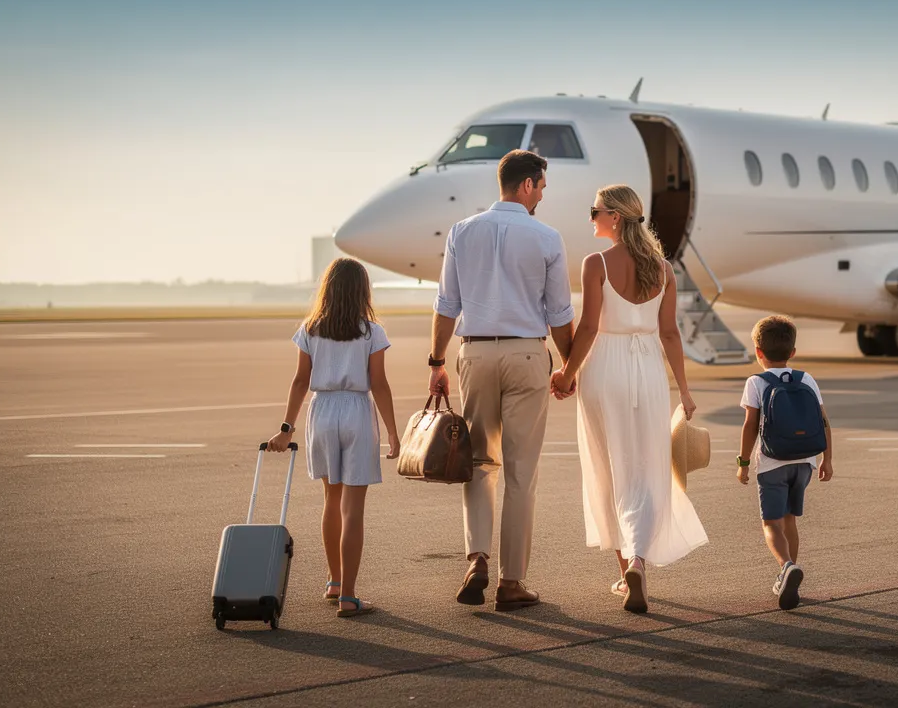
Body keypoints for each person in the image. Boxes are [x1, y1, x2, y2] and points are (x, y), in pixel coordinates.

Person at [429, 149, 575, 612]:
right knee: (520, 473)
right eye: (542, 188)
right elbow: (558, 315)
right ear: (528, 185)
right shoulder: (547, 237)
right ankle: (512, 583)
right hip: (527, 353)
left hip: (474, 350)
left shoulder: (461, 232)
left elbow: (446, 305)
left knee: (477, 462)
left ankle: (476, 559)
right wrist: (569, 368)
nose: (542, 197)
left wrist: (436, 361)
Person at [553, 184, 707, 614]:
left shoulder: (596, 263)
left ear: (615, 218)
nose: (591, 218)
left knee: (609, 467)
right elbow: (671, 334)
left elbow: (587, 329)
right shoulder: (663, 268)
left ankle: (628, 570)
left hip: (605, 369)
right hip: (650, 374)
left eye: (595, 211)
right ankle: (637, 560)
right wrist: (685, 389)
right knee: (645, 467)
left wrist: (567, 374)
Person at [266, 257, 399, 618]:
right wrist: (392, 431)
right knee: (353, 508)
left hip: (321, 411)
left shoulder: (310, 329)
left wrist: (286, 428)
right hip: (356, 410)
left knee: (331, 500)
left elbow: (299, 381)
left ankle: (335, 582)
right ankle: (349, 596)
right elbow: (380, 384)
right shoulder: (372, 332)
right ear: (362, 292)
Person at [735, 315, 833, 611]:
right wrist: (828, 459)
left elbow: (750, 425)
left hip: (772, 462)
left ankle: (787, 566)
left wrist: (742, 463)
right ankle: (791, 570)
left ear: (758, 352)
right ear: (792, 352)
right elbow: (824, 420)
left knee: (771, 523)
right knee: (790, 519)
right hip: (805, 461)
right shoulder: (807, 379)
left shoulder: (756, 382)